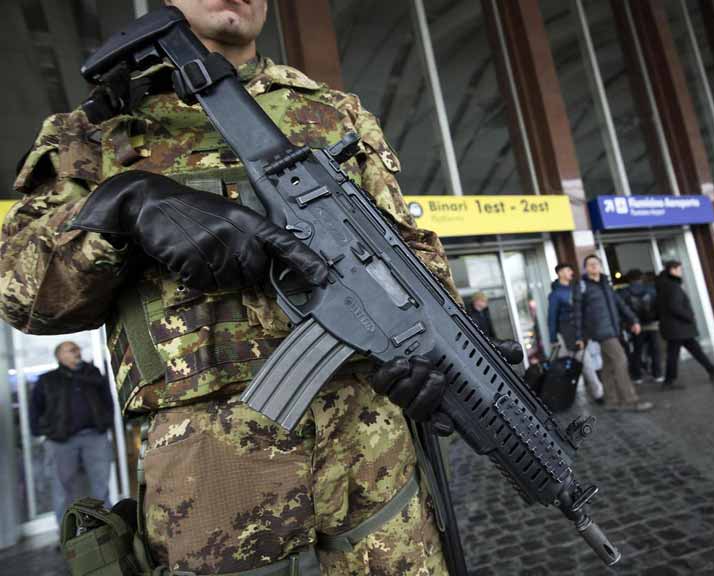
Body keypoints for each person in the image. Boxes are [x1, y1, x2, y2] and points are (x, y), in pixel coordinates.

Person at [0, 1, 472, 573]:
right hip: (217, 502)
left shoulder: (333, 114)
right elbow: (21, 296)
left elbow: (412, 257)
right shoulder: (97, 132)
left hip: (376, 484)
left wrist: (434, 348)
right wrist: (126, 203)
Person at [30, 342, 114, 524]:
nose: (77, 352)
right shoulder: (47, 380)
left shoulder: (93, 375)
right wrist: (42, 432)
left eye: (78, 349)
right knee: (62, 488)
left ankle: (109, 530)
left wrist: (108, 422)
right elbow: (35, 409)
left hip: (95, 436)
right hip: (61, 441)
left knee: (101, 484)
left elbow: (108, 401)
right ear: (59, 356)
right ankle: (66, 534)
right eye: (71, 350)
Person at [573, 255, 654, 412]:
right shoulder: (582, 287)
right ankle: (631, 400)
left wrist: (634, 320)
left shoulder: (605, 284)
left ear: (601, 266)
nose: (594, 266)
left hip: (613, 329)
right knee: (621, 359)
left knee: (608, 366)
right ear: (585, 268)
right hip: (601, 331)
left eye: (596, 263)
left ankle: (611, 401)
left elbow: (620, 304)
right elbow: (577, 314)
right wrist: (578, 336)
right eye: (590, 264)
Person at [656, 261, 714, 389]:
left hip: (676, 328)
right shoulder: (673, 286)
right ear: (672, 270)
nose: (681, 272)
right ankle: (669, 382)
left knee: (694, 351)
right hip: (678, 327)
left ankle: (712, 371)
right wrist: (689, 316)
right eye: (679, 269)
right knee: (674, 355)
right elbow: (675, 307)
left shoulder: (664, 285)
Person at [546, 263, 604, 402]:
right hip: (569, 334)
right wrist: (553, 337)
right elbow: (552, 317)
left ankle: (592, 391)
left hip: (584, 331)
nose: (571, 271)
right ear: (560, 273)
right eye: (568, 269)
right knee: (585, 363)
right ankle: (598, 393)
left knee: (587, 362)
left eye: (571, 269)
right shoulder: (555, 294)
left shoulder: (575, 288)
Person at [620, 269, 663, 384]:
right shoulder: (651, 289)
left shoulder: (624, 292)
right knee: (655, 350)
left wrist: (627, 324)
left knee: (637, 351)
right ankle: (657, 374)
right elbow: (658, 305)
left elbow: (622, 310)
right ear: (641, 277)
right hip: (652, 324)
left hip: (635, 326)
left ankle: (637, 376)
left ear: (629, 279)